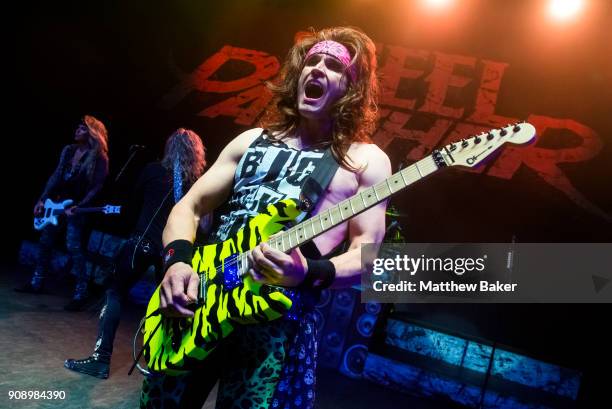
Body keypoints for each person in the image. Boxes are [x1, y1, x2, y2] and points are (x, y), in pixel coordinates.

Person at [141, 26, 391, 409]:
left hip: (278, 321)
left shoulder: (365, 160)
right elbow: (189, 206)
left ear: (352, 88)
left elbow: (367, 254)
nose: (317, 70)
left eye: (334, 66)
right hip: (204, 297)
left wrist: (308, 272)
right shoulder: (251, 140)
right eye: (312, 61)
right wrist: (176, 263)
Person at [64, 128, 208, 379]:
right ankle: (163, 365)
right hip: (173, 253)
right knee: (170, 306)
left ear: (169, 148)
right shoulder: (199, 184)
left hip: (141, 243)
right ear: (197, 154)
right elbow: (205, 226)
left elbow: (131, 207)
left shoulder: (153, 170)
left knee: (114, 292)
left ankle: (100, 359)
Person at [17, 115, 109, 311]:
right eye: (77, 127)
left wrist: (80, 205)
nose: (77, 130)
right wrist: (42, 198)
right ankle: (37, 282)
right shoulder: (69, 150)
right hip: (56, 202)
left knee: (73, 247)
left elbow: (96, 187)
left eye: (83, 128)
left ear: (93, 134)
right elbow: (56, 175)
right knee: (45, 241)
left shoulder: (99, 157)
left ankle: (81, 292)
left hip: (76, 207)